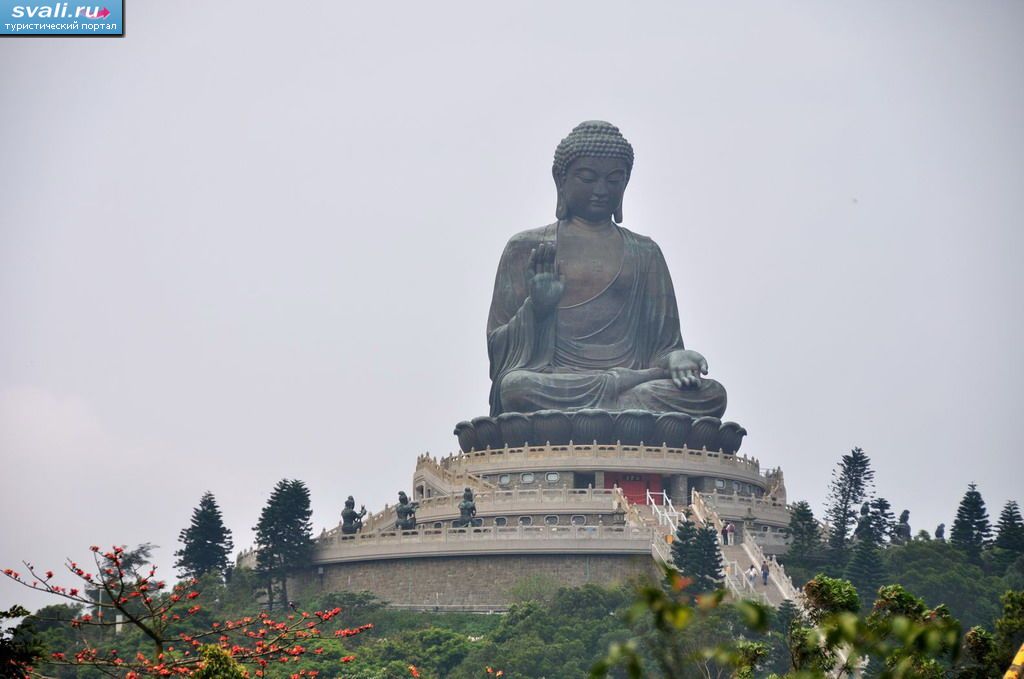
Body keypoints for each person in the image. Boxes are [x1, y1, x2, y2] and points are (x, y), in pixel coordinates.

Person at [487, 121, 728, 417]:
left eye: (614, 180)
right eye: (587, 178)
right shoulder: (526, 247)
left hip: (635, 387)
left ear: (625, 184)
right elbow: (498, 353)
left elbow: (663, 348)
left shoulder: (645, 253)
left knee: (711, 395)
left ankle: (615, 404)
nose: (601, 190)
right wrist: (537, 308)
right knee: (515, 388)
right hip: (556, 381)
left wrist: (675, 358)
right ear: (560, 180)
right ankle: (618, 407)